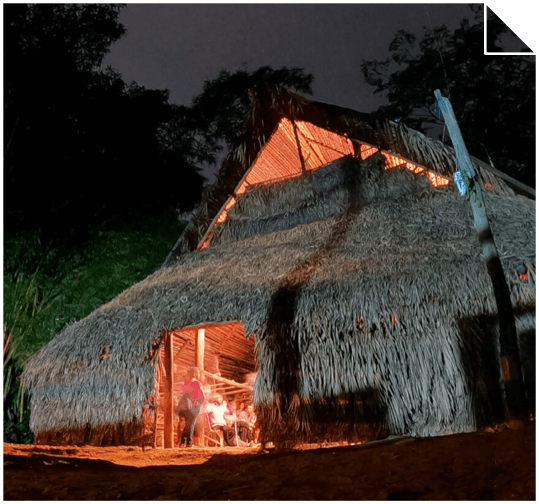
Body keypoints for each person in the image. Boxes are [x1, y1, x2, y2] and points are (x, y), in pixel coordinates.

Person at [176, 367, 205, 448]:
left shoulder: (185, 382)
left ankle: (182, 442)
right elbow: (201, 394)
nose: (199, 374)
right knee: (191, 423)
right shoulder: (197, 382)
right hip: (193, 405)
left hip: (184, 406)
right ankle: (189, 442)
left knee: (188, 424)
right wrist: (199, 403)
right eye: (198, 373)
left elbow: (182, 393)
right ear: (194, 374)